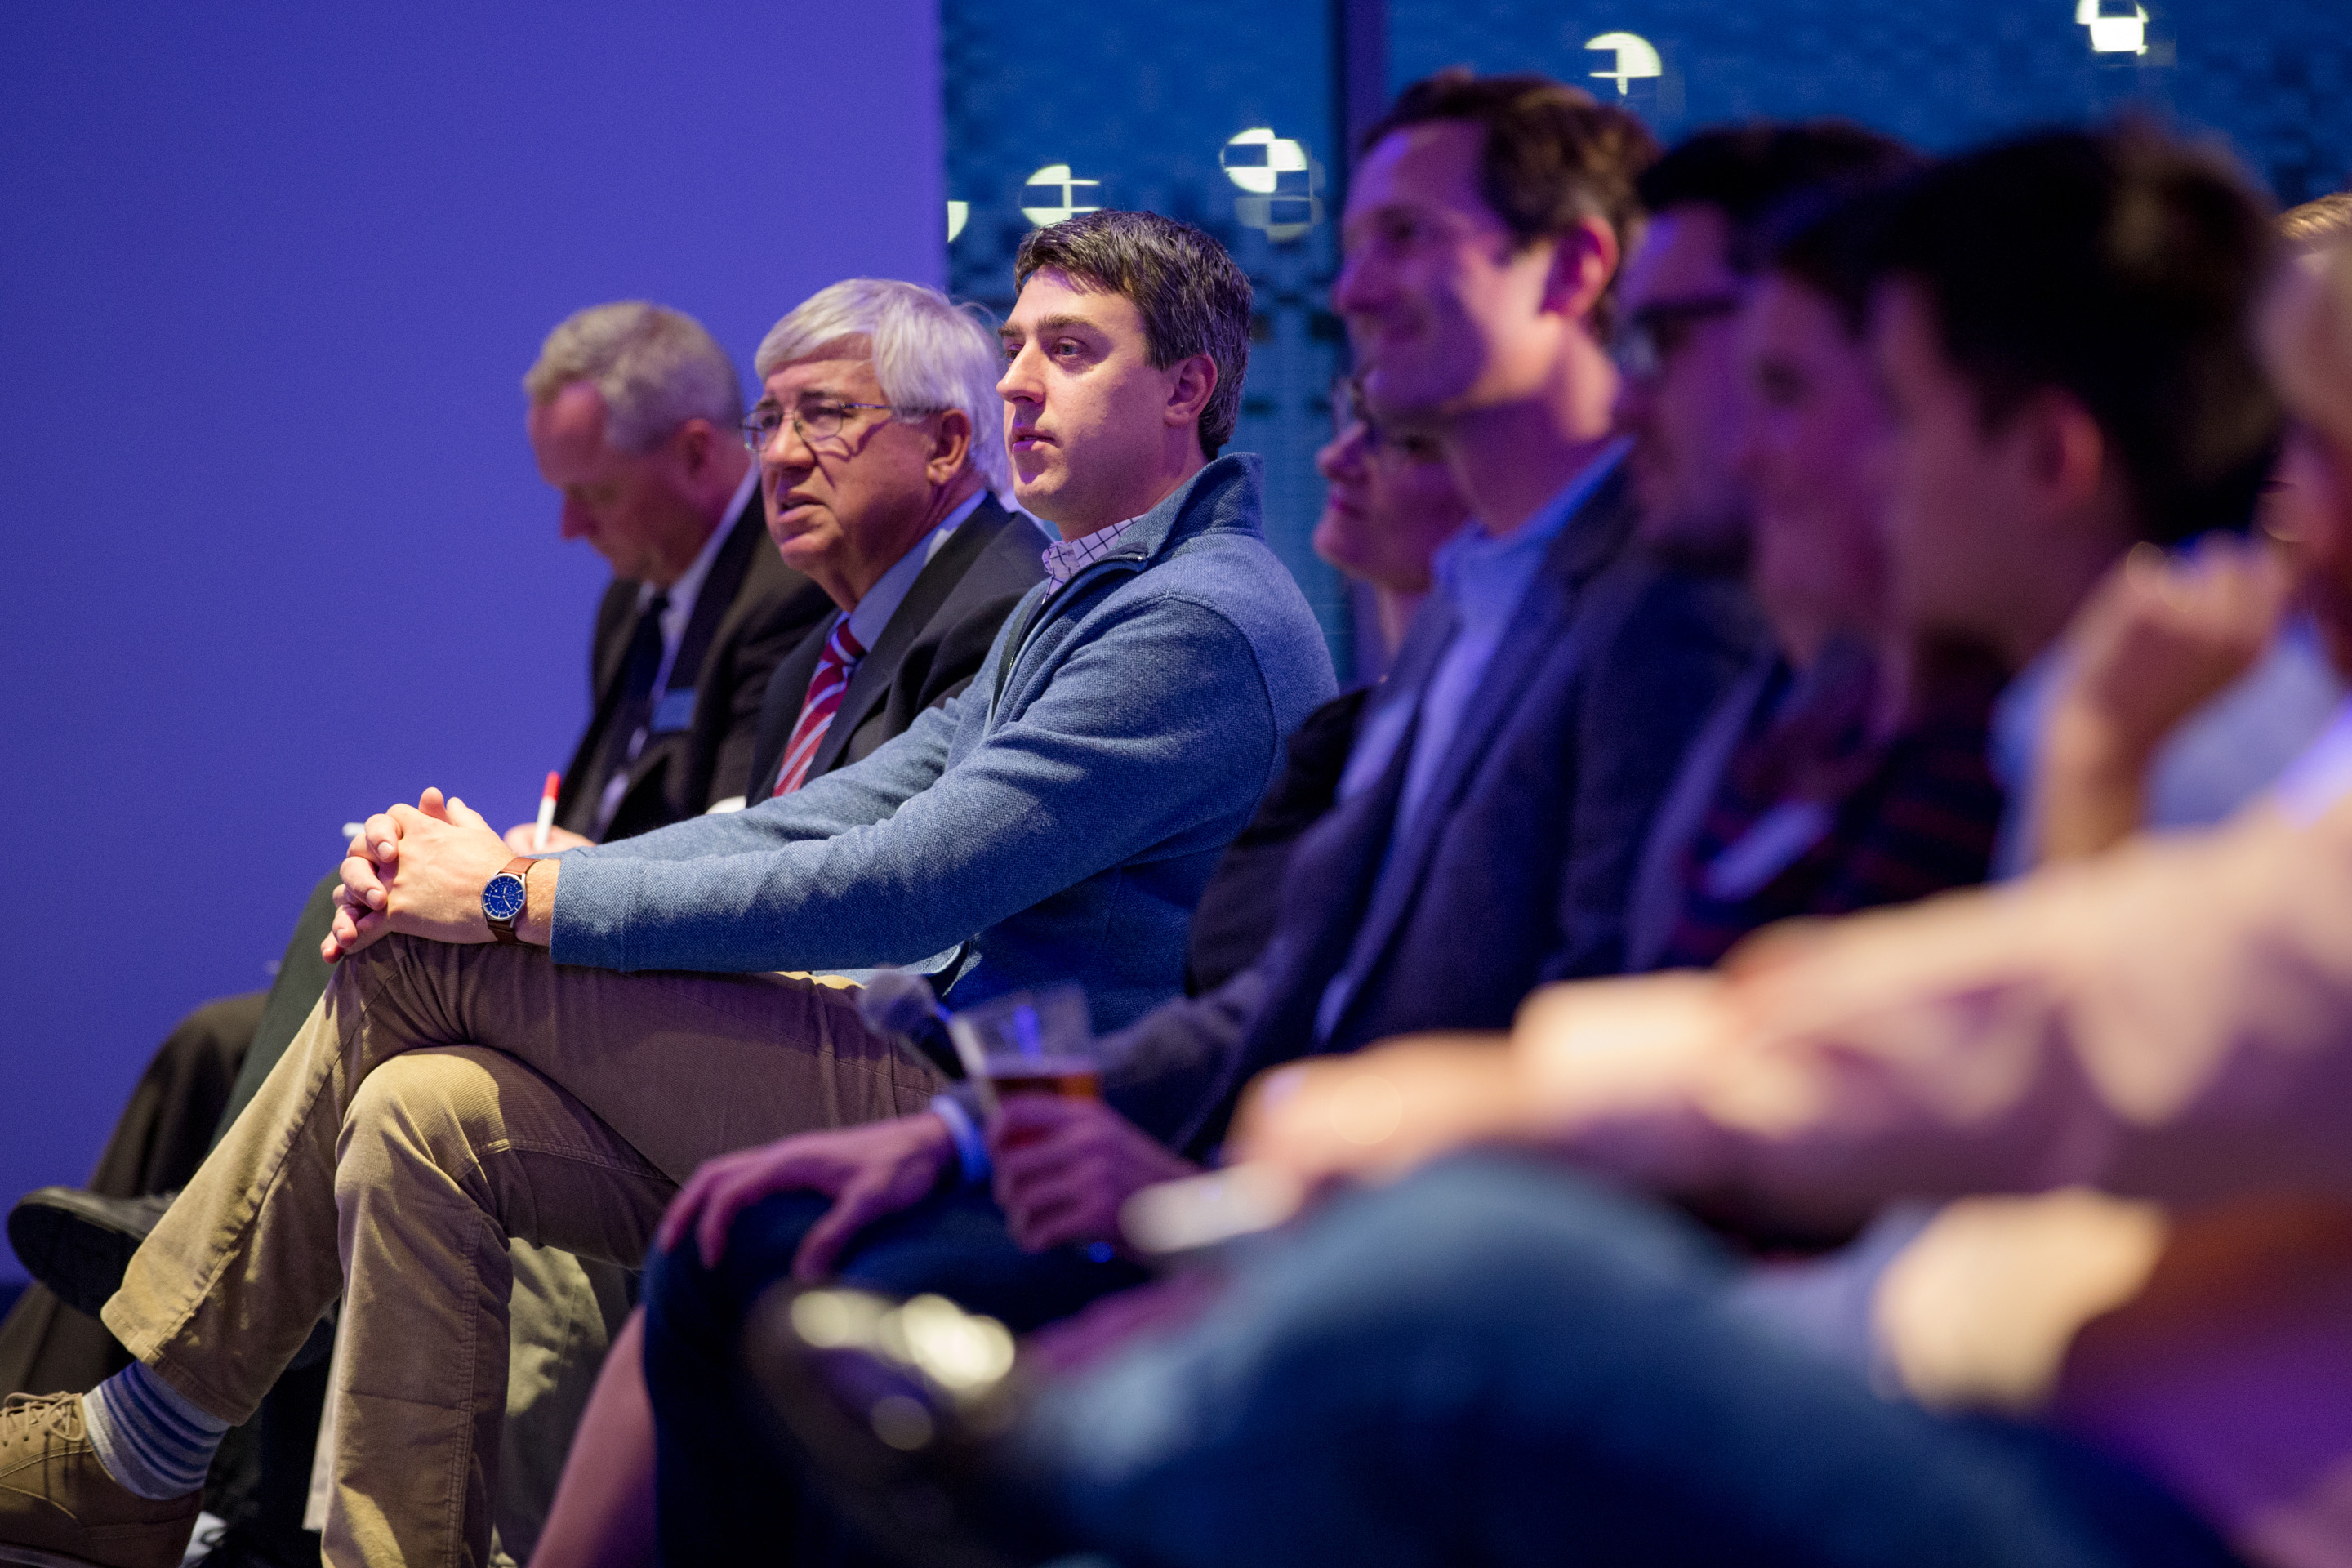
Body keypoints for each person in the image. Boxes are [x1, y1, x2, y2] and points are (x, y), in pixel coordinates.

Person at [769, 122, 2323, 1568]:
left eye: (1849, 403)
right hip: (1924, 1347)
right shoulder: (1964, 703)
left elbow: (2031, 1044)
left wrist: (1481, 1123)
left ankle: (1047, 1458)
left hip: (2104, 1466)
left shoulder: (2178, 728)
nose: (1817, 456)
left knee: (1476, 1266)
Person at [0, 213, 1336, 1568]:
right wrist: (529, 870)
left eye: (1070, 350)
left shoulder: (1191, 619)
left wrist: (510, 903)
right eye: (1017, 349)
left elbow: (912, 883)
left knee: (416, 956)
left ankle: (141, 1449)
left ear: (1188, 388)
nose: (1019, 387)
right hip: (930, 1067)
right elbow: (836, 810)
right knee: (418, 1112)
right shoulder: (1087, 591)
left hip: (1000, 1122)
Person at [616, 67, 1762, 1566]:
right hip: (1188, 1151)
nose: (1352, 287)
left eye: (1408, 238)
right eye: (1356, 243)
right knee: (689, 1226)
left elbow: (1593, 1032)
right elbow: (1290, 994)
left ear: (1573, 273)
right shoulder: (1472, 598)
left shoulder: (1632, 608)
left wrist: (1217, 1216)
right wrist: (965, 1138)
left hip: (1399, 1236)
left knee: (774, 1269)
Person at [2, 301, 835, 1565]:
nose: (568, 529)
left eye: (592, 494)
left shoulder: (800, 604)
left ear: (693, 455)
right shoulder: (646, 605)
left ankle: (167, 1448)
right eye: (781, 417)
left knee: (390, 949)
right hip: (630, 954)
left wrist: (510, 888)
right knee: (234, 1041)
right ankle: (108, 1418)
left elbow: (785, 862)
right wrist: (504, 864)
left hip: (704, 989)